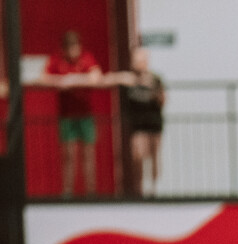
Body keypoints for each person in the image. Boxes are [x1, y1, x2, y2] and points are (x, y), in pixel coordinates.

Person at [43, 31, 102, 198]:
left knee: (88, 154)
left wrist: (73, 80)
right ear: (64, 49)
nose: (72, 51)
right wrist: (61, 81)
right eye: (69, 48)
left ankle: (91, 192)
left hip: (85, 115)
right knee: (68, 155)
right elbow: (44, 77)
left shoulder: (86, 58)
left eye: (75, 47)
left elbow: (96, 76)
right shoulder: (57, 60)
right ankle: (67, 192)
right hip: (66, 116)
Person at [111, 48, 164, 197]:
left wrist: (153, 92)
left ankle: (153, 189)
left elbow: (163, 99)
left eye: (140, 60)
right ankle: (139, 188)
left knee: (154, 156)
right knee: (138, 155)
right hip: (137, 124)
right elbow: (111, 79)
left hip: (154, 122)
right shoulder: (129, 79)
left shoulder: (155, 79)